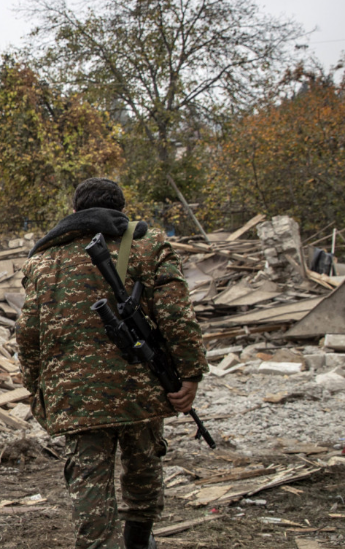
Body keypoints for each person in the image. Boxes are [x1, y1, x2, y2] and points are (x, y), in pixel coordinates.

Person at [16, 178, 208, 549]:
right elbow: (176, 316)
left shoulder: (43, 261)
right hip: (141, 386)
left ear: (75, 211)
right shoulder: (149, 246)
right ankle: (139, 541)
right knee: (143, 468)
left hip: (76, 396)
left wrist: (36, 385)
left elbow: (28, 334)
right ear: (121, 209)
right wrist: (190, 374)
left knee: (89, 480)